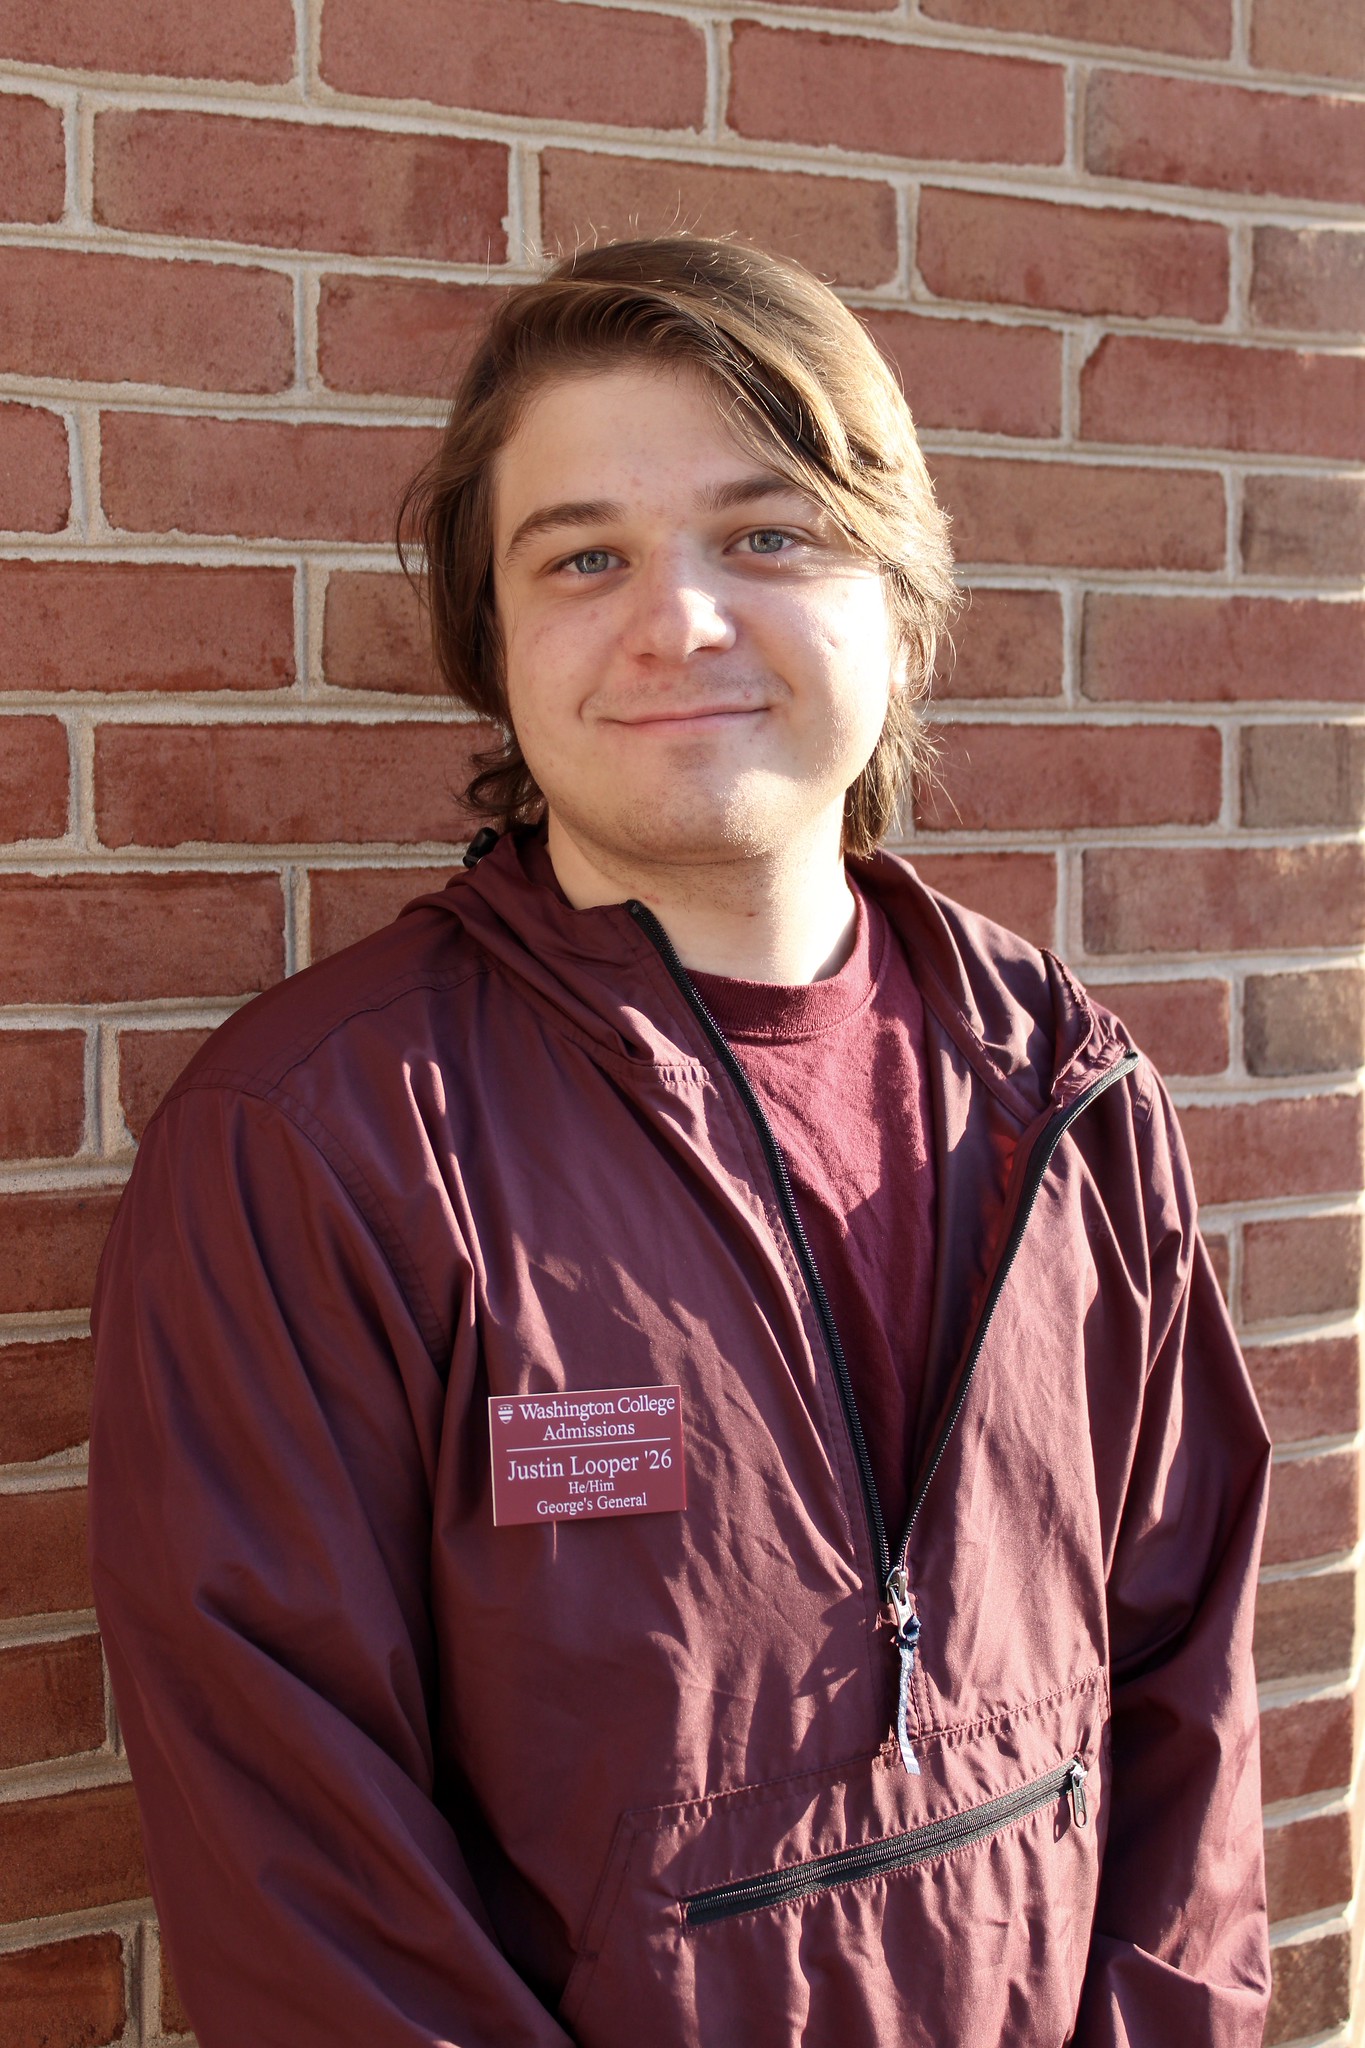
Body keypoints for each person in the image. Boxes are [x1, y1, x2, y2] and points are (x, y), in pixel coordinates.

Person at [89, 236, 1271, 2047]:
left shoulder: (1066, 1088)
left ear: (899, 600)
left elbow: (1187, 1701)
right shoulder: (321, 1143)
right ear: (493, 648)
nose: (681, 621)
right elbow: (302, 1876)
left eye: (767, 536)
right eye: (583, 558)